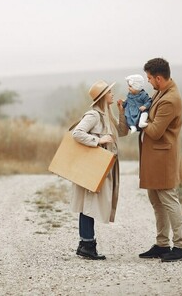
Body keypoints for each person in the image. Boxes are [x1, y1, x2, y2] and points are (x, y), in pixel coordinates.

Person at [138, 58, 182, 262]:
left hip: (163, 157)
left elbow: (156, 131)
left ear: (159, 78)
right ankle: (162, 244)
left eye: (150, 78)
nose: (148, 82)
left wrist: (142, 122)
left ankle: (180, 247)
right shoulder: (161, 91)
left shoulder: (170, 99)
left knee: (168, 199)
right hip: (154, 157)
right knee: (156, 200)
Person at [70, 80, 128, 260]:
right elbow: (77, 133)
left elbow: (123, 131)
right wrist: (98, 141)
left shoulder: (106, 115)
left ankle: (85, 244)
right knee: (88, 203)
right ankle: (87, 245)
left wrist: (121, 112)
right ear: (103, 96)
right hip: (93, 167)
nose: (112, 94)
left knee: (91, 203)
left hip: (102, 167)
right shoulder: (94, 115)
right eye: (110, 92)